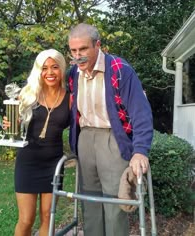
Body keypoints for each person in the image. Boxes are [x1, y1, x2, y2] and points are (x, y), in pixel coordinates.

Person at [67, 23, 153, 236]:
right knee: (89, 201)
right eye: (73, 51)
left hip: (113, 140)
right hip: (85, 139)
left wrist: (140, 150)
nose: (78, 56)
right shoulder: (73, 74)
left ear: (98, 45)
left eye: (83, 49)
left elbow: (140, 112)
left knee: (115, 203)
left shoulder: (119, 69)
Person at [3, 49, 70, 236]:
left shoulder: (70, 98)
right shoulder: (27, 94)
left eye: (55, 67)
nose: (50, 72)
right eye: (45, 68)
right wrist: (10, 123)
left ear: (62, 69)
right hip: (28, 163)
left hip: (54, 165)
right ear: (39, 71)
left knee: (48, 218)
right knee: (26, 219)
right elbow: (13, 123)